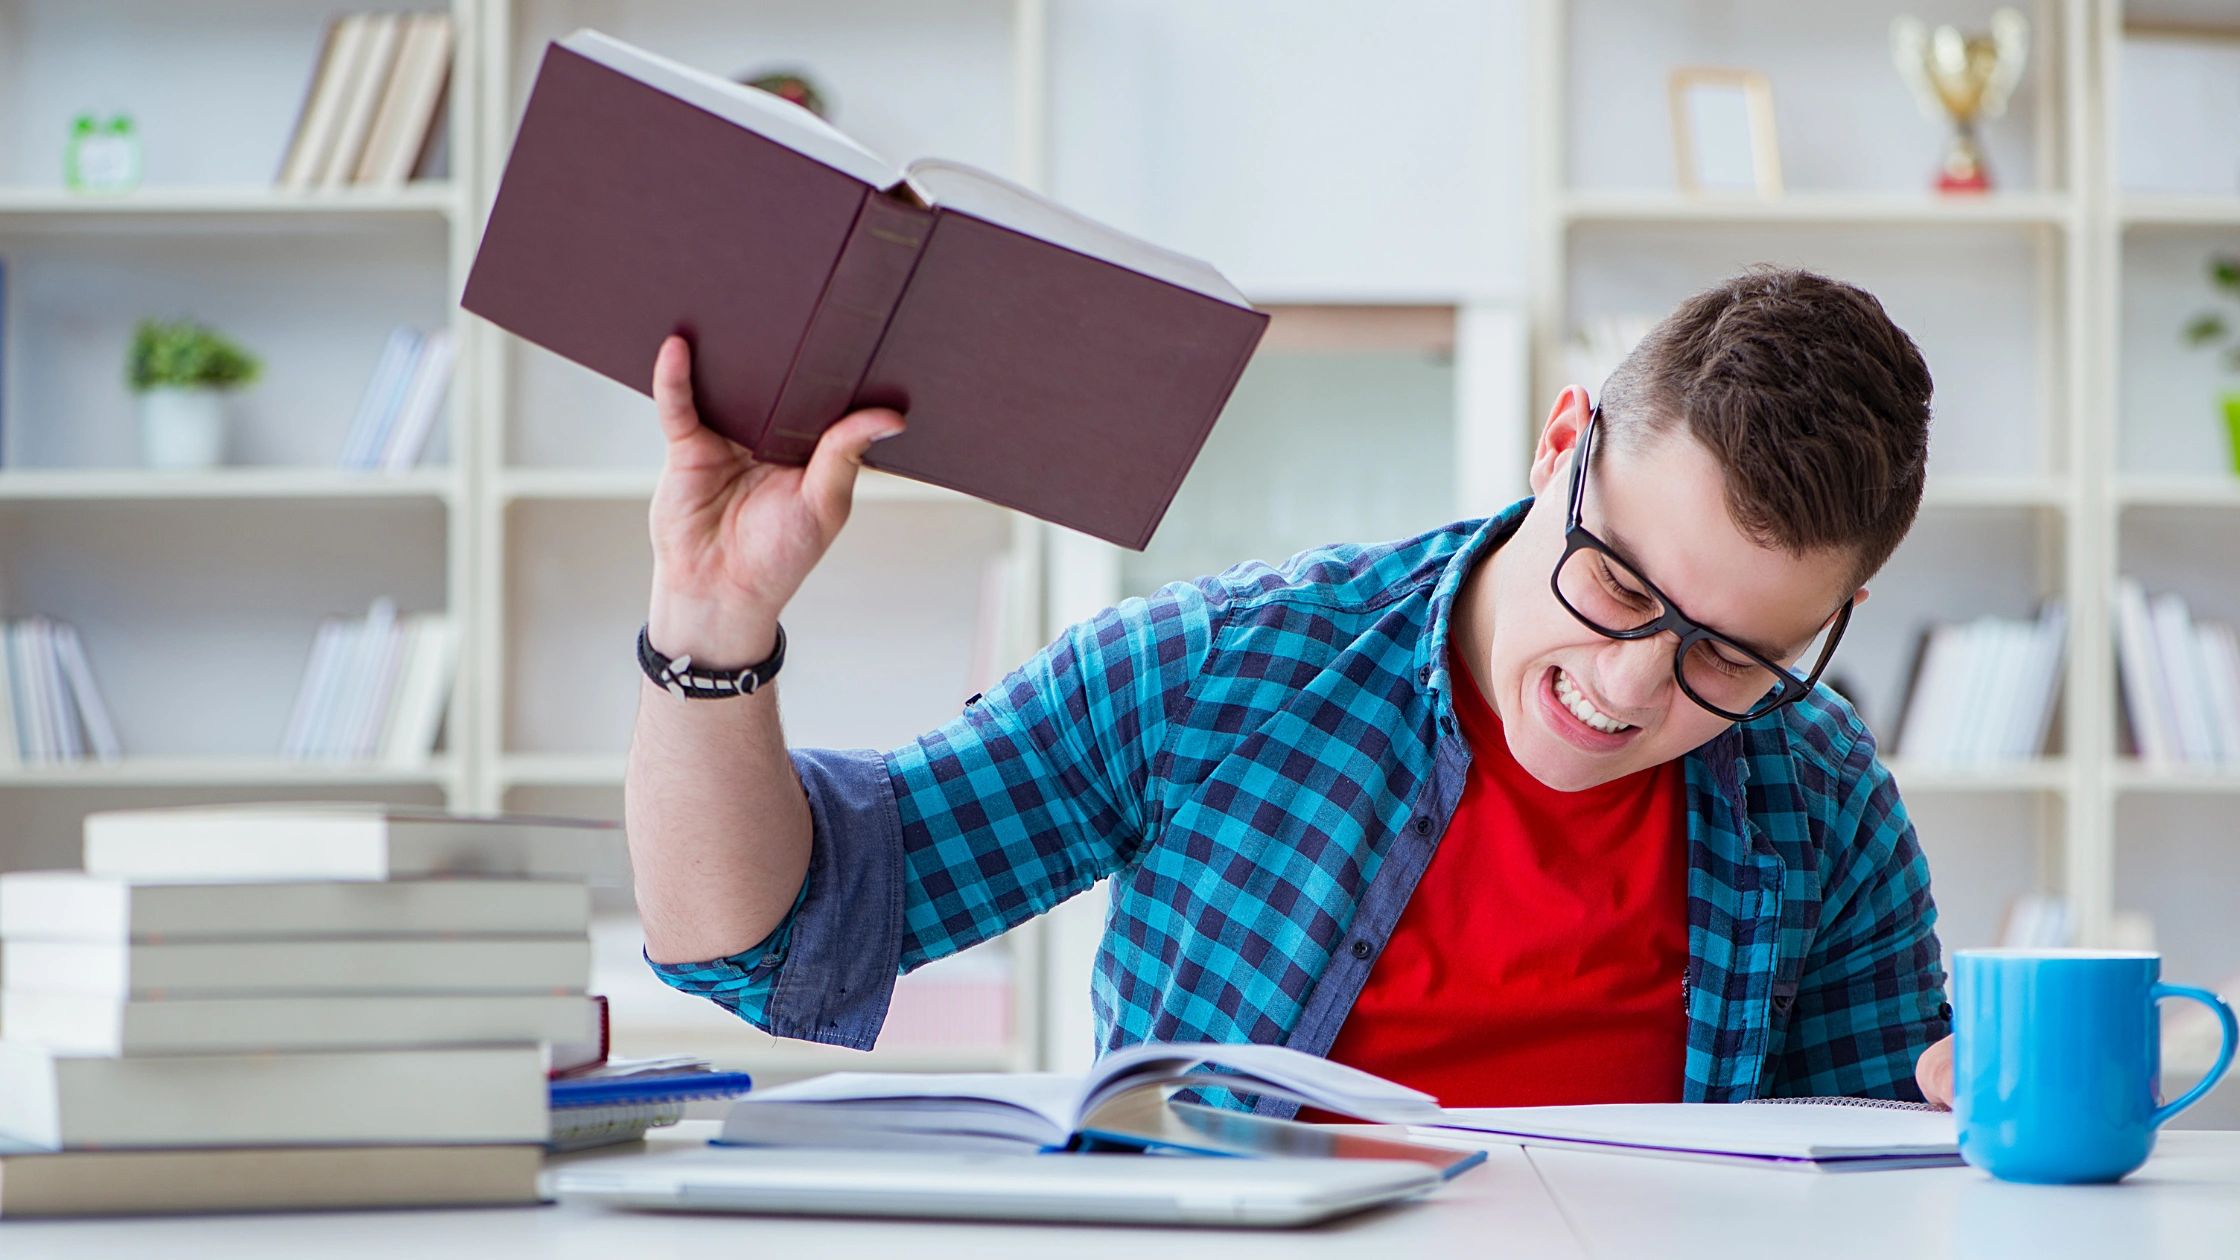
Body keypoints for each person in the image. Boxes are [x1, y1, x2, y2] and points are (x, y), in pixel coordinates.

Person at [624, 265, 1961, 1113]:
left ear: (1825, 628)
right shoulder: (1228, 671)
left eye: (1731, 656)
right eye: (1617, 583)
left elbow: (1865, 1174)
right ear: (1561, 445)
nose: (1628, 685)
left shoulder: (1818, 786)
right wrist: (710, 619)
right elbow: (763, 943)